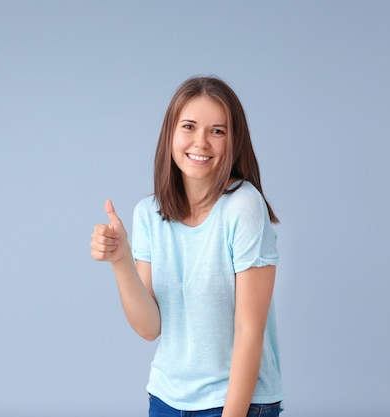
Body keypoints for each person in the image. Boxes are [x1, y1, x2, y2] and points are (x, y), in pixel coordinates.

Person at [90, 76, 284, 417]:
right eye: (190, 127)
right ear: (171, 134)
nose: (201, 142)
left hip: (237, 403)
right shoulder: (148, 214)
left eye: (217, 131)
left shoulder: (244, 206)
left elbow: (249, 332)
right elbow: (150, 328)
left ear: (234, 141)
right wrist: (120, 261)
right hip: (166, 400)